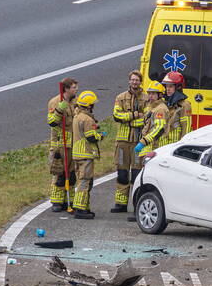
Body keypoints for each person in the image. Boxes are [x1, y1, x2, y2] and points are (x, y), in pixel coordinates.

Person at [110, 70, 147, 213]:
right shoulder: (120, 97)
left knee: (137, 175)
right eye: (132, 80)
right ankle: (120, 204)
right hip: (122, 142)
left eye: (137, 80)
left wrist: (130, 121)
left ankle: (136, 204)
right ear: (129, 81)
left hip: (138, 144)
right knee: (122, 174)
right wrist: (135, 115)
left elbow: (147, 118)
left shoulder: (147, 98)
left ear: (140, 82)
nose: (134, 82)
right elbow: (116, 115)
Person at [47, 77, 78, 213]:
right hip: (60, 144)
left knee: (71, 174)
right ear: (66, 89)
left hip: (74, 144)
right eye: (73, 87)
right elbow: (52, 122)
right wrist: (60, 109)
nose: (76, 90)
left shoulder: (77, 101)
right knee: (59, 174)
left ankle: (69, 200)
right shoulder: (55, 102)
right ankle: (57, 201)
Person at [71, 90, 103, 220]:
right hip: (86, 154)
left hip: (77, 153)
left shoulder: (77, 116)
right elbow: (90, 137)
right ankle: (80, 209)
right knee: (85, 182)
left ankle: (83, 207)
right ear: (89, 105)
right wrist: (99, 136)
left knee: (80, 180)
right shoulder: (87, 119)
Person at [136, 81, 169, 158]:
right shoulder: (153, 107)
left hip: (158, 147)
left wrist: (143, 141)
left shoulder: (161, 109)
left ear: (160, 95)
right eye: (149, 93)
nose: (150, 96)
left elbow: (159, 128)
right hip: (151, 146)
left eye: (153, 94)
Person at [162, 71, 192, 147]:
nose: (167, 89)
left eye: (170, 86)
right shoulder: (165, 103)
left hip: (175, 146)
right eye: (166, 86)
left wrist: (182, 146)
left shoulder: (184, 105)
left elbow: (186, 129)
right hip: (164, 145)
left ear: (178, 87)